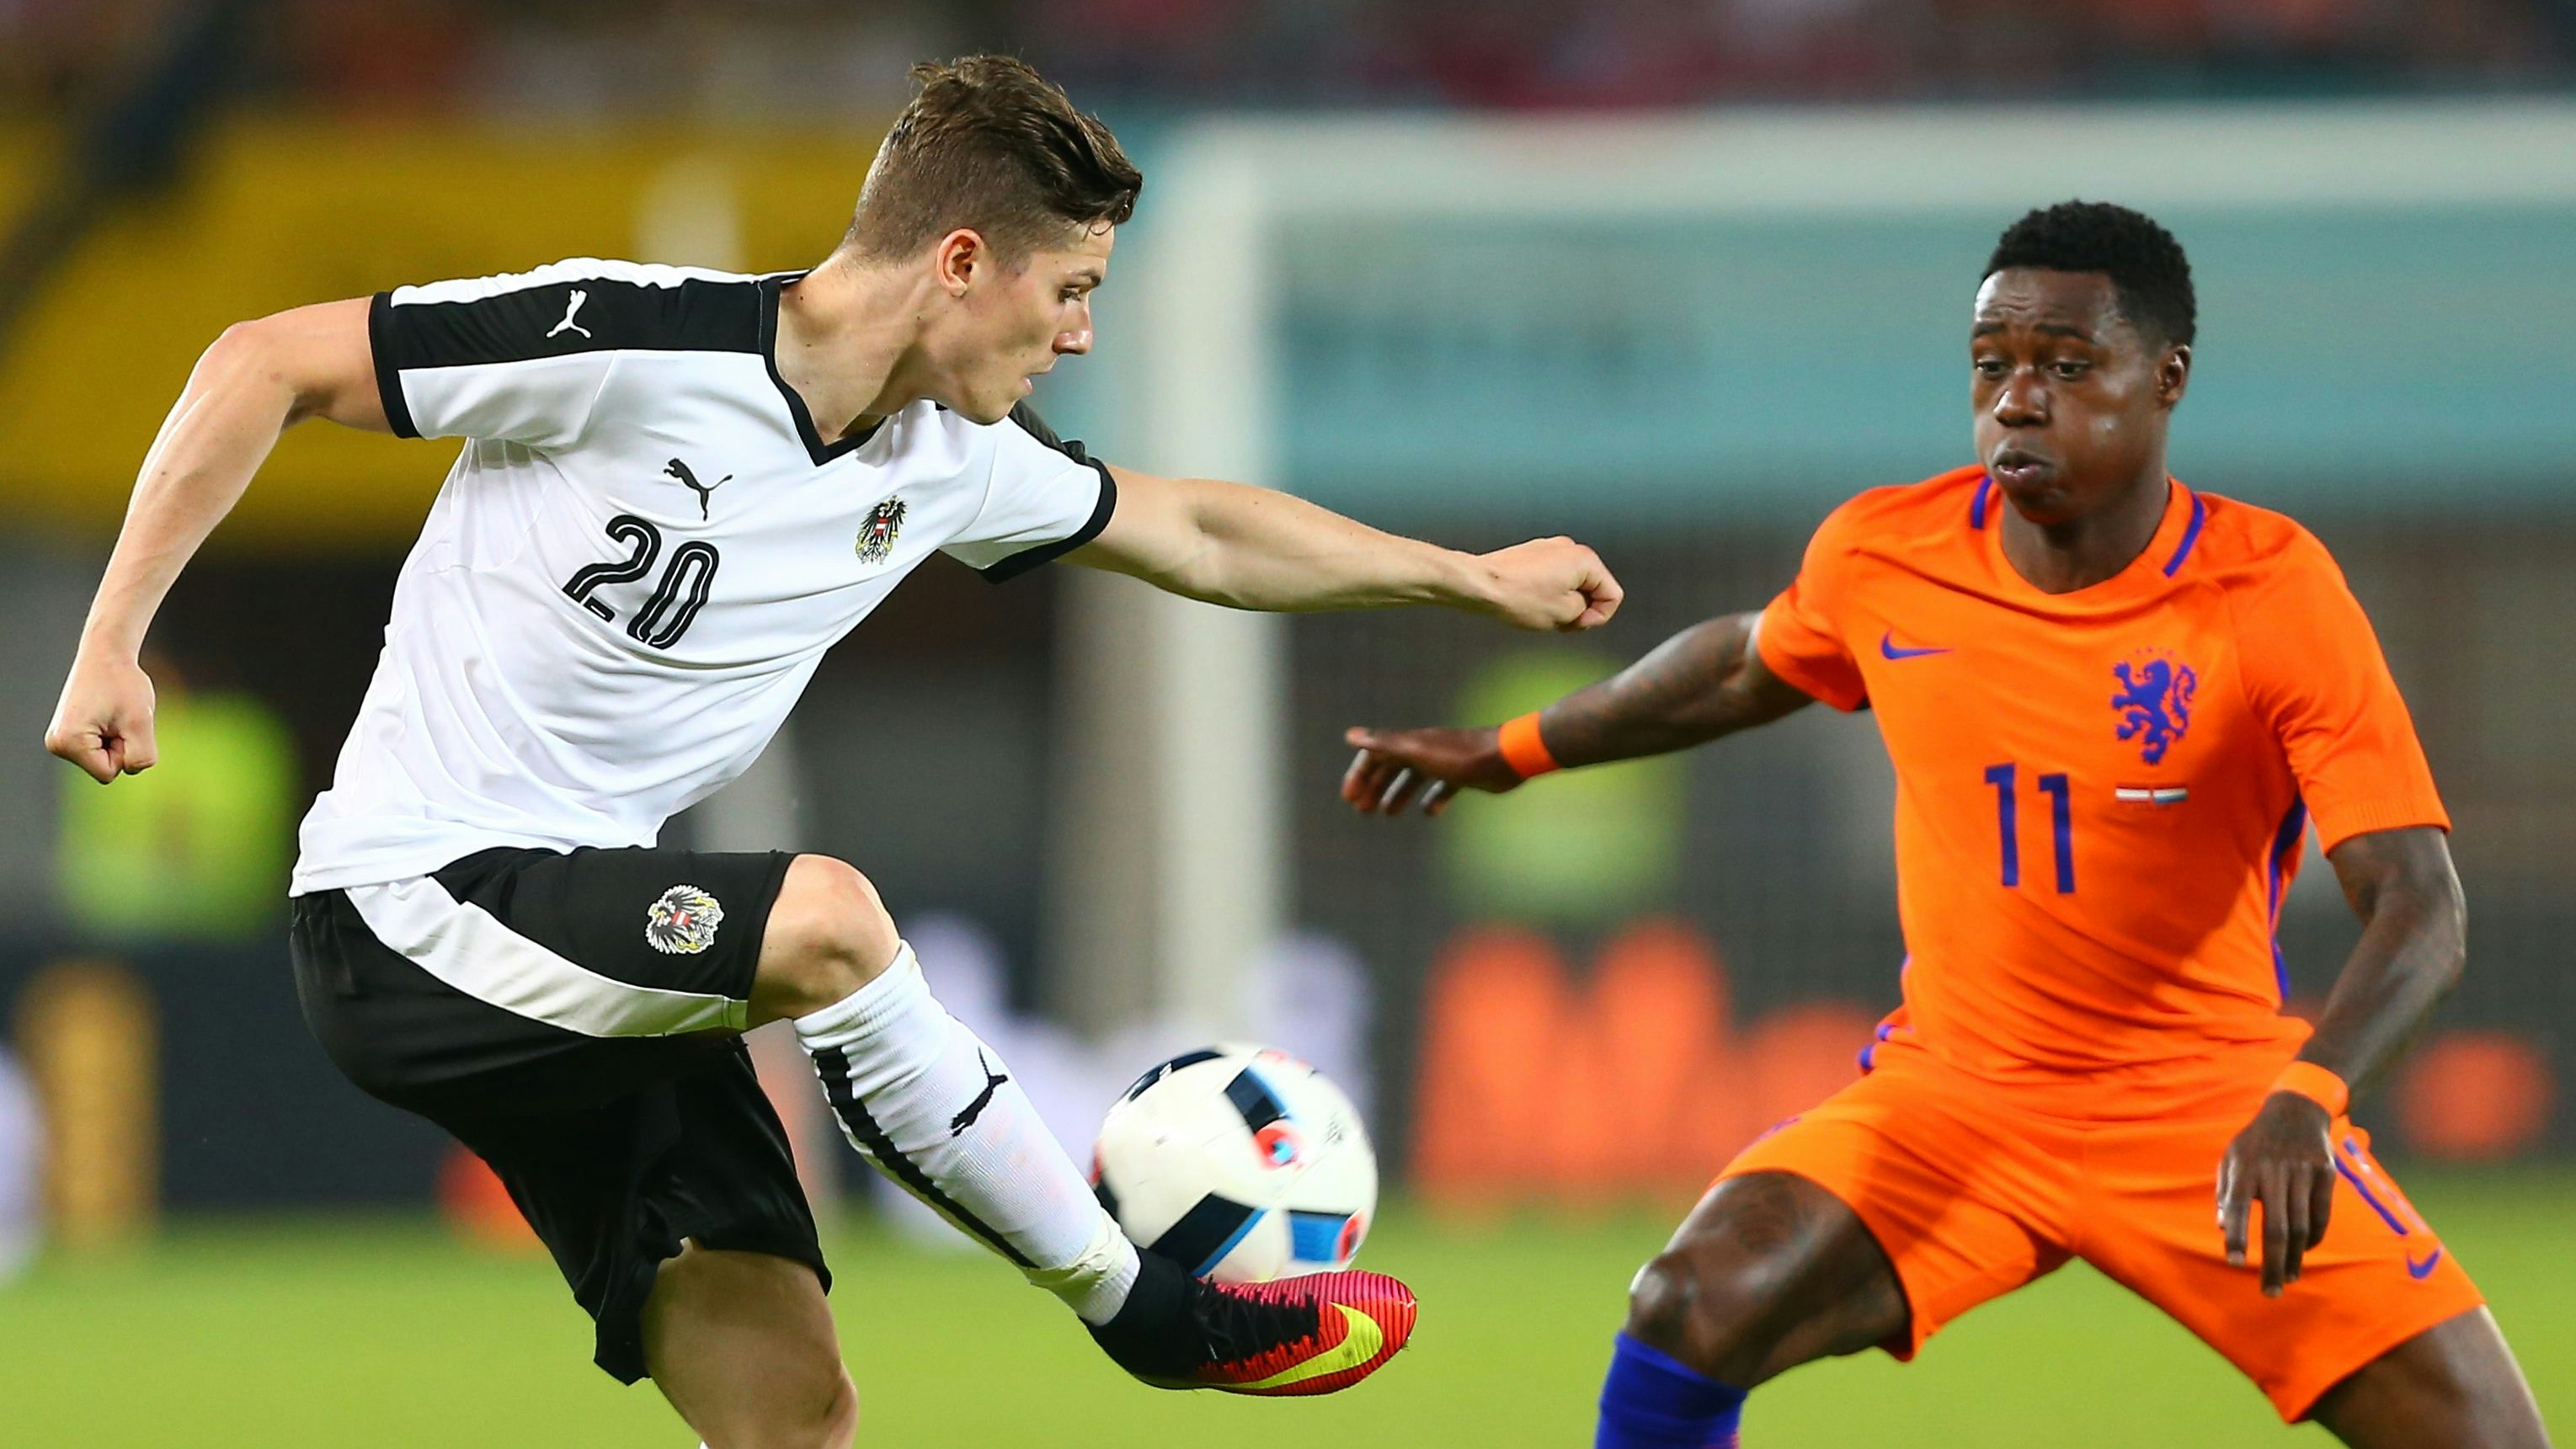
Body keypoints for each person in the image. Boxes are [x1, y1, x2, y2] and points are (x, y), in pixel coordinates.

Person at [44, 56, 1622, 1449]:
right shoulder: (634, 340)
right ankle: (1143, 1308)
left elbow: (1199, 528)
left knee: (793, 1411)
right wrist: (114, 637)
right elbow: (265, 358)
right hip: (410, 904)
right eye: (1068, 290)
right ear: (959, 261)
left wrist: (1466, 573)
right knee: (833, 922)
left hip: (589, 945)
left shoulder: (952, 462)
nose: (1079, 336)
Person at [1341, 200, 2548, 1448]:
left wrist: (2311, 1097)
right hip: (1960, 1102)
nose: (2019, 400)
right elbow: (1743, 667)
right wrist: (1511, 748)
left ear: (2167, 379)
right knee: (1690, 1303)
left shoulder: (2271, 591)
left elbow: (2420, 903)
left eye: (2069, 367)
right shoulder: (1889, 550)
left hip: (2218, 1113)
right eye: (1994, 367)